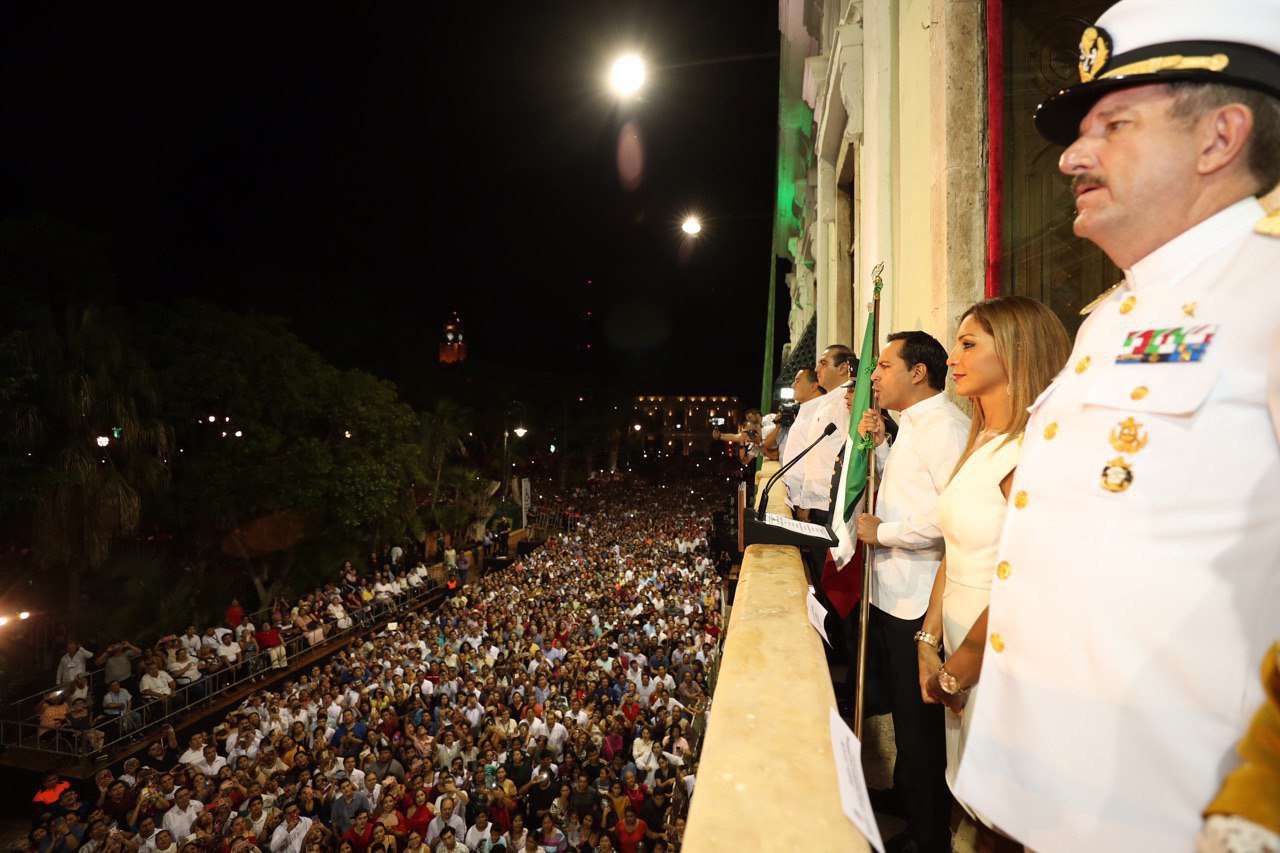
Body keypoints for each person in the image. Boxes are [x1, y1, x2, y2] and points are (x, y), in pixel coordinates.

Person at [948, 1, 1280, 849]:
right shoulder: (1113, 314)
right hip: (1029, 808)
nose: (1070, 156)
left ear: (1220, 137)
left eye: (1113, 125)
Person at [914, 297, 1070, 839]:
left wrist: (960, 664)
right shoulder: (982, 437)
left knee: (1004, 815)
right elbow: (954, 552)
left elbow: (1032, 578)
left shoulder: (1032, 450)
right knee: (973, 797)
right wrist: (927, 641)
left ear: (1016, 350)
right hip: (959, 646)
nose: (952, 356)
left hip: (999, 657)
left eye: (968, 343)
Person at [852, 330, 970, 852]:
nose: (873, 377)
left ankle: (927, 837)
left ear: (917, 372)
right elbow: (907, 491)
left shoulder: (944, 426)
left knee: (921, 731)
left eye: (882, 365)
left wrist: (888, 533)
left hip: (919, 602)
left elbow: (953, 515)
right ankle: (908, 798)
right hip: (892, 592)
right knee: (904, 715)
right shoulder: (915, 427)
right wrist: (880, 446)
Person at [779, 368, 826, 509]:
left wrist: (806, 501)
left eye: (798, 381)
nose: (793, 385)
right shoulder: (807, 407)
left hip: (808, 501)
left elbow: (816, 458)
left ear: (814, 385)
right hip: (797, 497)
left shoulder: (821, 410)